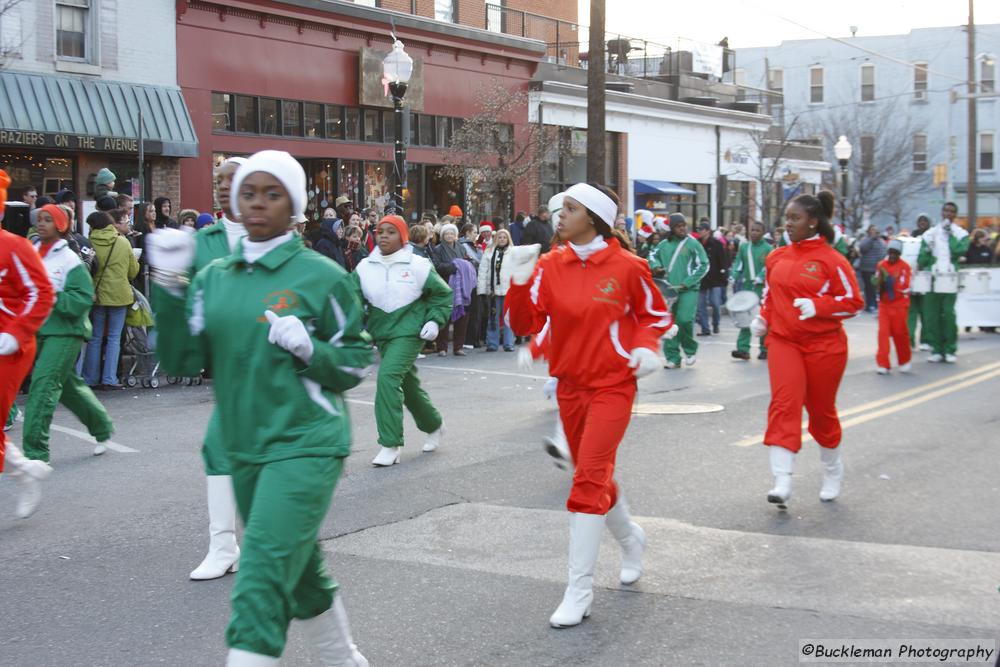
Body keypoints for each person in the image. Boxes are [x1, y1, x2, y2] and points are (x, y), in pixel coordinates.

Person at [147, 150, 372, 666]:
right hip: (243, 446)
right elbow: (182, 358)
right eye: (249, 192)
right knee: (300, 569)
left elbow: (356, 362)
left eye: (273, 195)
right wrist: (167, 285)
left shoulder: (322, 275)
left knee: (262, 575)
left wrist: (311, 350)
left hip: (306, 443)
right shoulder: (215, 277)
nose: (257, 204)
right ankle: (343, 659)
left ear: (294, 205)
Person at [505, 182, 675, 629]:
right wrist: (519, 282)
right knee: (591, 476)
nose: (559, 215)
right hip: (570, 387)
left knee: (587, 482)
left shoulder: (627, 267)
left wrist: (645, 347)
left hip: (613, 387)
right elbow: (524, 323)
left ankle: (578, 591)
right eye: (560, 208)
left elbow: (654, 315)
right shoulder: (549, 265)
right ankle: (631, 538)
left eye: (570, 209)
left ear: (594, 219)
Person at [750, 191, 863, 509]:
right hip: (784, 342)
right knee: (784, 405)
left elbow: (854, 302)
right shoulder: (777, 257)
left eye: (795, 218)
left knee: (821, 414)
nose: (788, 223)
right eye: (787, 217)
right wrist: (763, 317)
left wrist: (819, 306)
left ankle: (832, 471)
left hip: (824, 346)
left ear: (813, 222)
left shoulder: (832, 260)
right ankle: (782, 479)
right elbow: (771, 296)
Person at [178, 156, 249, 582]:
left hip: (275, 369)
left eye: (234, 179)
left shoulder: (278, 239)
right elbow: (187, 315)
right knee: (218, 448)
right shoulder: (203, 240)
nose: (223, 186)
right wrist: (170, 286)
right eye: (219, 180)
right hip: (228, 370)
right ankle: (224, 545)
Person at [352, 215, 452, 467]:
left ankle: (390, 444)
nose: (383, 235)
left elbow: (441, 294)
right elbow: (349, 299)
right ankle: (434, 424)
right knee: (407, 385)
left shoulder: (417, 264)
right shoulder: (365, 267)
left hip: (409, 333)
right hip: (382, 334)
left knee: (387, 378)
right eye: (380, 231)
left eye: (391, 232)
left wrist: (434, 320)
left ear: (403, 236)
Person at [23, 205, 115, 462]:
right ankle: (102, 426)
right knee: (67, 386)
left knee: (43, 385)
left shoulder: (69, 259)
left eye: (48, 220)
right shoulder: (31, 253)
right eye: (39, 219)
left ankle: (35, 454)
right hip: (36, 329)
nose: (41, 223)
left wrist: (50, 295)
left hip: (65, 331)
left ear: (61, 225)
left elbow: (83, 298)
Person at [0, 169, 56, 519]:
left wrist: (15, 334)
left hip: (10, 346)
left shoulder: (15, 247)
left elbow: (42, 292)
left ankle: (23, 470)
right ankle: (25, 469)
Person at [82, 211, 140, 389]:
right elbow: (133, 271)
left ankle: (91, 378)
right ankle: (109, 378)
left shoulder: (90, 242)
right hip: (119, 295)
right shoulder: (122, 241)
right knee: (114, 338)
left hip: (98, 294)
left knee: (95, 337)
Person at [648, 213, 709, 368]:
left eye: (684, 225)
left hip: (688, 289)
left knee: (684, 320)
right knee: (669, 324)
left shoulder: (693, 244)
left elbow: (704, 264)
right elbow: (652, 255)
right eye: (678, 226)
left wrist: (687, 282)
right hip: (668, 290)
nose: (682, 228)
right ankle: (673, 357)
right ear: (672, 228)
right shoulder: (663, 244)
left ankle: (690, 350)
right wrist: (655, 267)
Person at [918, 202, 970, 363]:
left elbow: (958, 251)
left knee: (948, 314)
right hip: (933, 277)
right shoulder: (930, 233)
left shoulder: (961, 233)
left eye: (952, 211)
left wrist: (950, 235)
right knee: (931, 315)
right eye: (946, 210)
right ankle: (936, 349)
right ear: (942, 212)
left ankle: (949, 349)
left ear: (955, 215)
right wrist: (927, 252)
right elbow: (922, 259)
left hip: (950, 277)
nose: (948, 213)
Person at [731, 221, 772, 361]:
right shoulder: (744, 247)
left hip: (763, 288)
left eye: (757, 230)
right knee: (746, 317)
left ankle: (765, 348)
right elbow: (738, 264)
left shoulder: (768, 248)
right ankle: (743, 349)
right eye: (752, 230)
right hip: (748, 286)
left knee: (763, 318)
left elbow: (769, 266)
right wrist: (733, 276)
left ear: (763, 233)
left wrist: (761, 277)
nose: (754, 233)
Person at [431, 222, 474, 356]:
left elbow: (467, 262)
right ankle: (442, 348)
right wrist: (453, 267)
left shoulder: (461, 248)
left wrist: (463, 267)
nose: (449, 236)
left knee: (462, 317)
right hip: (445, 285)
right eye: (446, 234)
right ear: (443, 236)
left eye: (452, 233)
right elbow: (436, 266)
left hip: (460, 287)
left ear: (456, 236)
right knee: (445, 317)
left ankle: (458, 347)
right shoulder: (438, 249)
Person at [873, 239, 912, 374]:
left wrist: (890, 282)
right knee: (883, 334)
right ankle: (883, 363)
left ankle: (904, 360)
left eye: (895, 253)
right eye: (890, 252)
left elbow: (905, 286)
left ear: (899, 254)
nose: (892, 256)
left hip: (899, 305)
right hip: (884, 305)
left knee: (900, 334)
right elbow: (877, 285)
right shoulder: (881, 265)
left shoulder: (905, 267)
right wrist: (879, 283)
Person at [477, 228, 516, 352]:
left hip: (509, 290)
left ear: (508, 239)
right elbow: (483, 271)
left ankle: (508, 343)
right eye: (500, 237)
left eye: (504, 237)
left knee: (508, 318)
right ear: (496, 239)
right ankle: (492, 343)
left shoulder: (513, 252)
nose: (502, 239)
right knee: (493, 317)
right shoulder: (489, 252)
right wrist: (481, 290)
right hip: (493, 291)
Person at [695, 219, 729, 336]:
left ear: (707, 231)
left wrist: (724, 275)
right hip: (701, 278)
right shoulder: (697, 243)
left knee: (715, 303)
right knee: (701, 305)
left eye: (701, 229)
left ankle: (716, 323)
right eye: (698, 229)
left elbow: (723, 260)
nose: (699, 231)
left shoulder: (716, 243)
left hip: (715, 278)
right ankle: (705, 328)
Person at [858, 225, 887, 313]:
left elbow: (883, 252)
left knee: (875, 287)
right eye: (872, 230)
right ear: (869, 231)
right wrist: (871, 238)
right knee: (869, 287)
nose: (874, 231)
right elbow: (863, 249)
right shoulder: (866, 240)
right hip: (866, 268)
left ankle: (874, 304)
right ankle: (870, 305)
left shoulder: (881, 241)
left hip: (877, 268)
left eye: (876, 230)